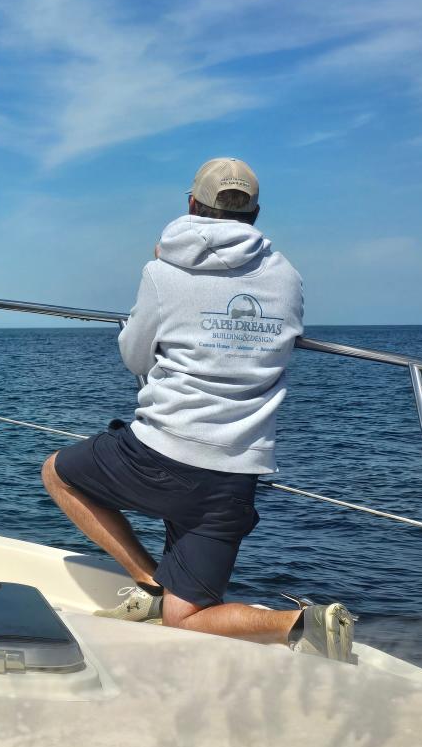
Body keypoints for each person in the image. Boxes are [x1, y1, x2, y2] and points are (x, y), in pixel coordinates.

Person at [40, 158, 355, 662]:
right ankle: (302, 623)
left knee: (58, 472)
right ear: (254, 214)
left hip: (157, 456)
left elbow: (134, 357)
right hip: (232, 476)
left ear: (191, 204)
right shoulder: (288, 277)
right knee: (185, 620)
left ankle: (148, 581)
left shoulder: (162, 271)